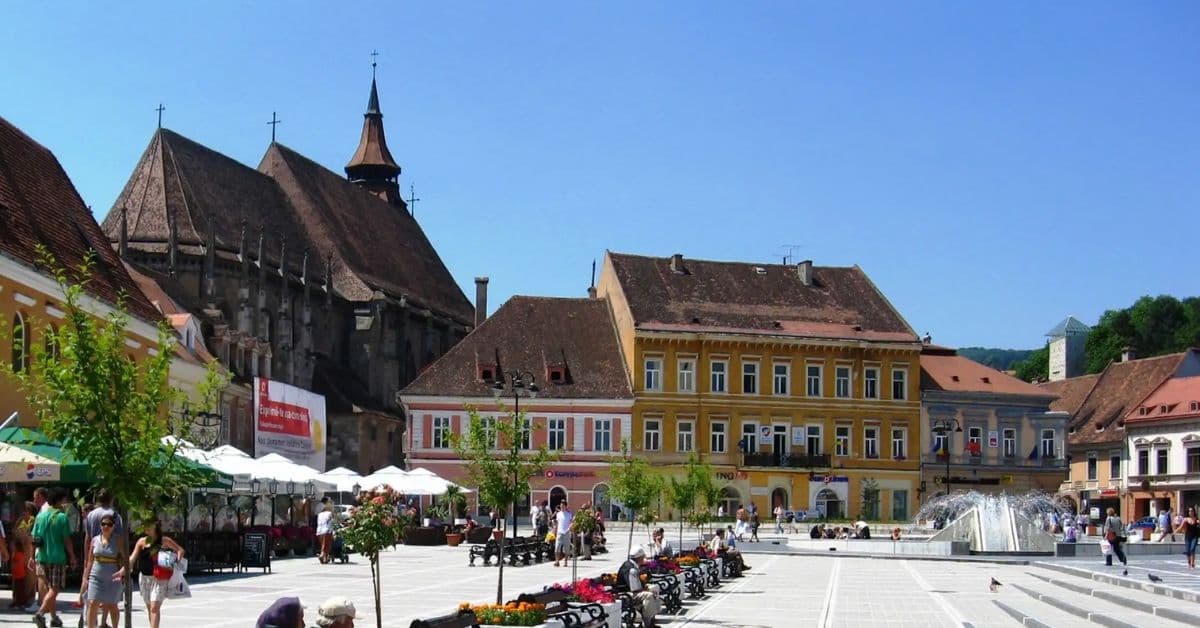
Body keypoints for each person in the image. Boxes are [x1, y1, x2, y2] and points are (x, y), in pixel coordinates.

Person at [32, 489, 76, 628]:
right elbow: (67, 540)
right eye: (64, 500)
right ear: (59, 500)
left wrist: (31, 557)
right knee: (55, 589)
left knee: (48, 589)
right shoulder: (62, 518)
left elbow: (34, 538)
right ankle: (40, 614)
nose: (65, 503)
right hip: (57, 558)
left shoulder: (40, 517)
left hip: (41, 557)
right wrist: (72, 557)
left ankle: (54, 617)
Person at [128, 520, 185, 628]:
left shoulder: (164, 540)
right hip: (144, 578)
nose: (146, 527)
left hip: (159, 579)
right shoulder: (142, 541)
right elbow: (132, 558)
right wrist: (124, 570)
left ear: (156, 526)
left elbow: (180, 550)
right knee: (150, 608)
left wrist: (174, 562)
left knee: (154, 607)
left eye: (149, 525)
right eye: (144, 525)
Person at [84, 489, 125, 628]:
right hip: (98, 555)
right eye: (104, 524)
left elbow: (87, 537)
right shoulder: (116, 515)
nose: (106, 526)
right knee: (94, 602)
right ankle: (101, 623)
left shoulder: (91, 514)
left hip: (110, 561)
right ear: (111, 499)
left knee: (111, 602)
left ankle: (103, 624)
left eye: (108, 524)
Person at [620, 548, 662, 628]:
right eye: (643, 556)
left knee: (655, 588)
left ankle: (651, 619)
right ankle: (647, 623)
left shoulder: (632, 565)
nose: (644, 558)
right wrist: (646, 589)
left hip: (630, 590)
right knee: (649, 595)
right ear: (639, 558)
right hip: (626, 593)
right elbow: (635, 589)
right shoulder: (632, 569)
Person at [11, 501, 37, 611]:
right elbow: (14, 533)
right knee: (18, 577)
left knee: (30, 578)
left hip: (30, 551)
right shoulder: (20, 521)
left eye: (25, 510)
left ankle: (29, 600)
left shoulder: (34, 521)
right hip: (20, 552)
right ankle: (18, 599)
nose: (23, 512)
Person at [553, 502, 573, 567]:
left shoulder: (569, 514)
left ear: (566, 506)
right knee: (557, 547)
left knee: (566, 548)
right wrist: (555, 531)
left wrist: (570, 528)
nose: (562, 507)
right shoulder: (558, 514)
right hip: (559, 532)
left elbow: (571, 523)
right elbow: (557, 523)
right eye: (561, 506)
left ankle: (565, 561)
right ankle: (557, 561)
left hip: (566, 532)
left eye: (563, 506)